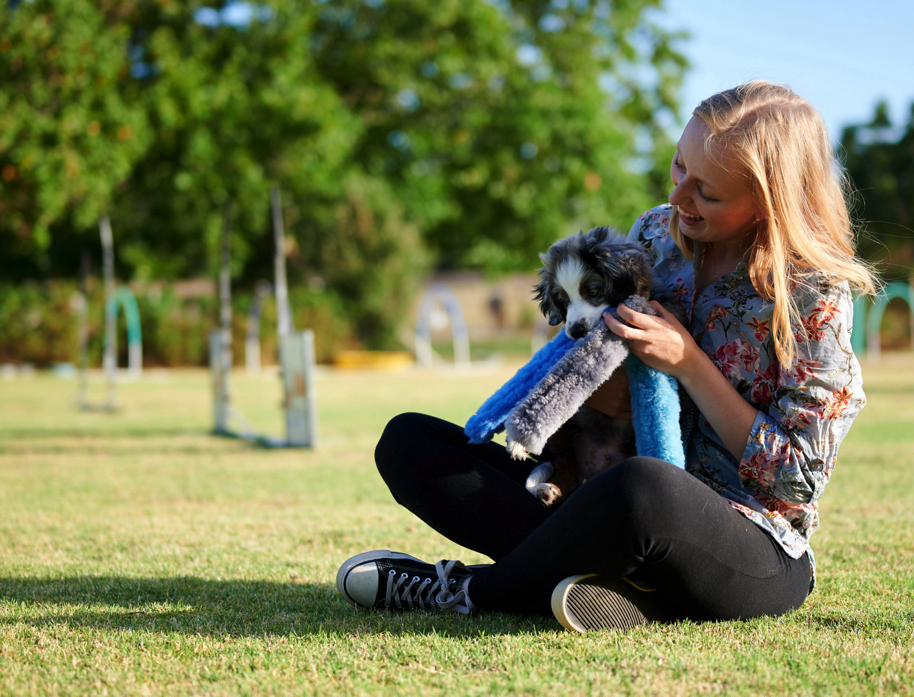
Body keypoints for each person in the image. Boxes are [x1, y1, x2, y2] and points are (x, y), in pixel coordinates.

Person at [336, 81, 877, 632]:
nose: (681, 197)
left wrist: (687, 362)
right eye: (678, 167)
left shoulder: (814, 293)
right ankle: (617, 589)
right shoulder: (654, 234)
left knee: (644, 487)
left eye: (708, 193)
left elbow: (797, 477)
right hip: (599, 501)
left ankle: (467, 591)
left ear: (768, 203)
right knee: (409, 443)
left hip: (745, 541)